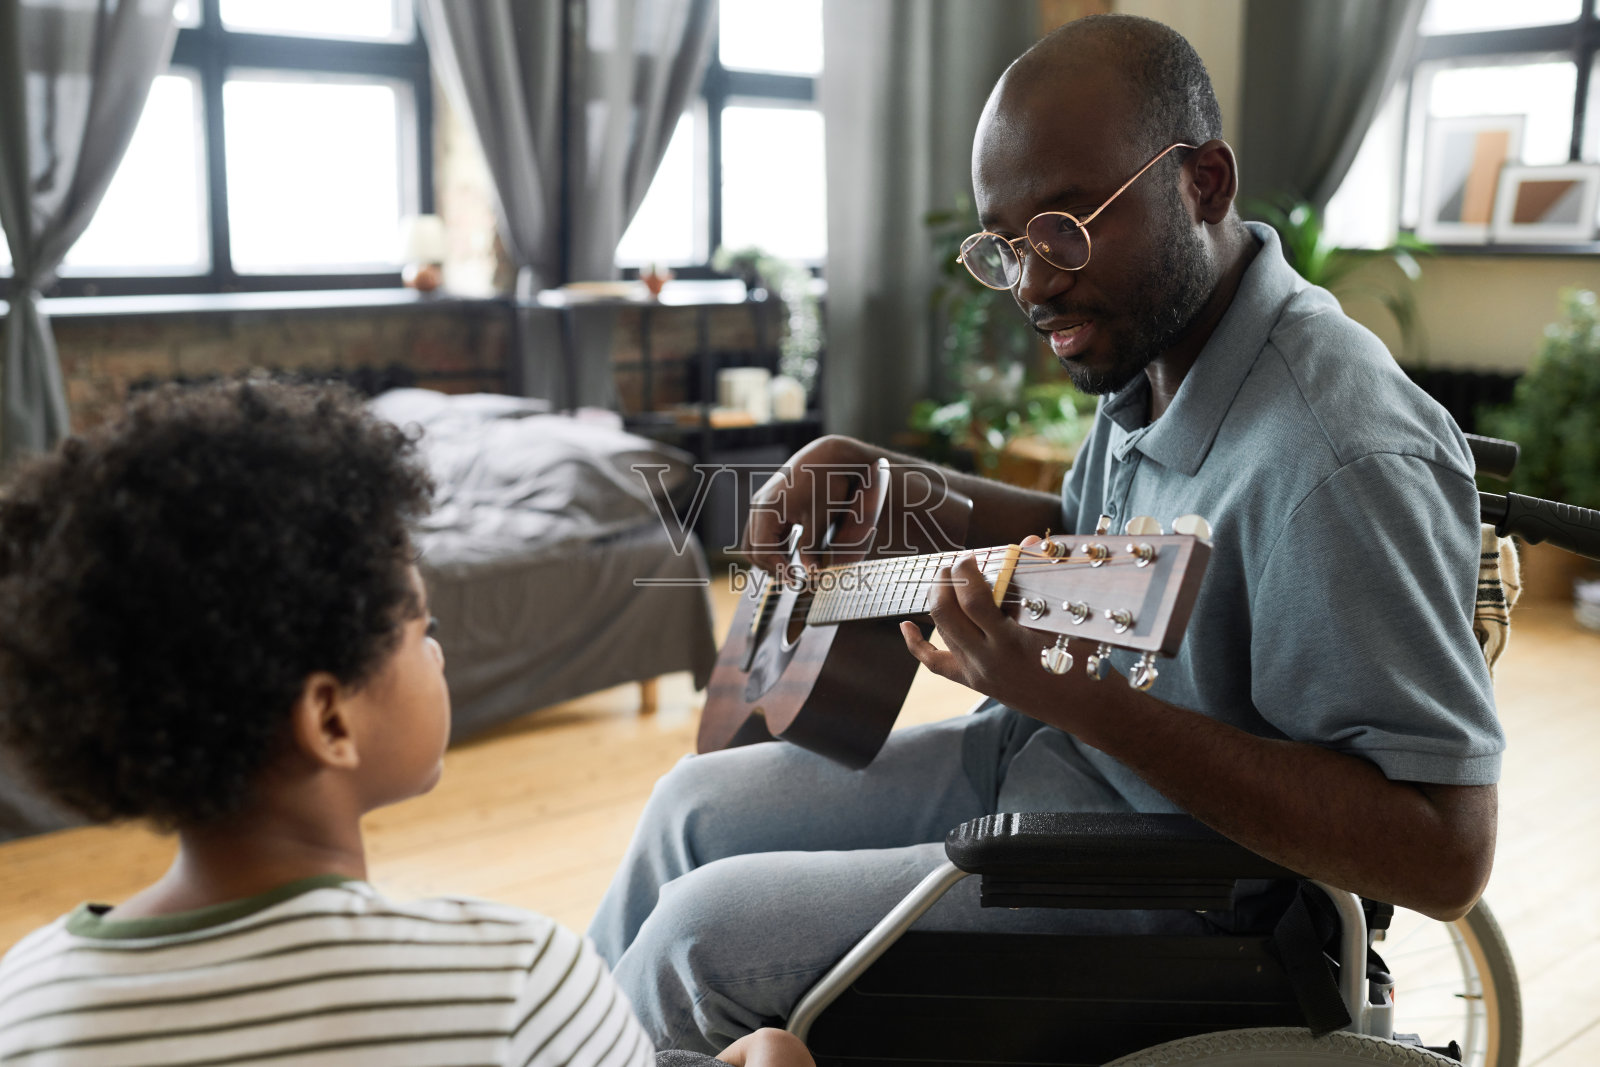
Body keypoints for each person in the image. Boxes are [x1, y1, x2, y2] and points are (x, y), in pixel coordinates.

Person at [589, 13, 1503, 1054]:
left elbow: (1442, 854)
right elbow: (1091, 545)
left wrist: (1073, 693)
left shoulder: (1339, 453)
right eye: (1006, 245)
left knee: (699, 940)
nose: (1029, 283)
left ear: (1201, 182)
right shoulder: (1165, 351)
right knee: (691, 808)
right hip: (1047, 763)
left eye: (1064, 229)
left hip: (1184, 887)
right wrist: (885, 484)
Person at [0, 381, 811, 1067]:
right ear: (329, 718)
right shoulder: (514, 983)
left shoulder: (26, 999)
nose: (439, 652)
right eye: (419, 627)